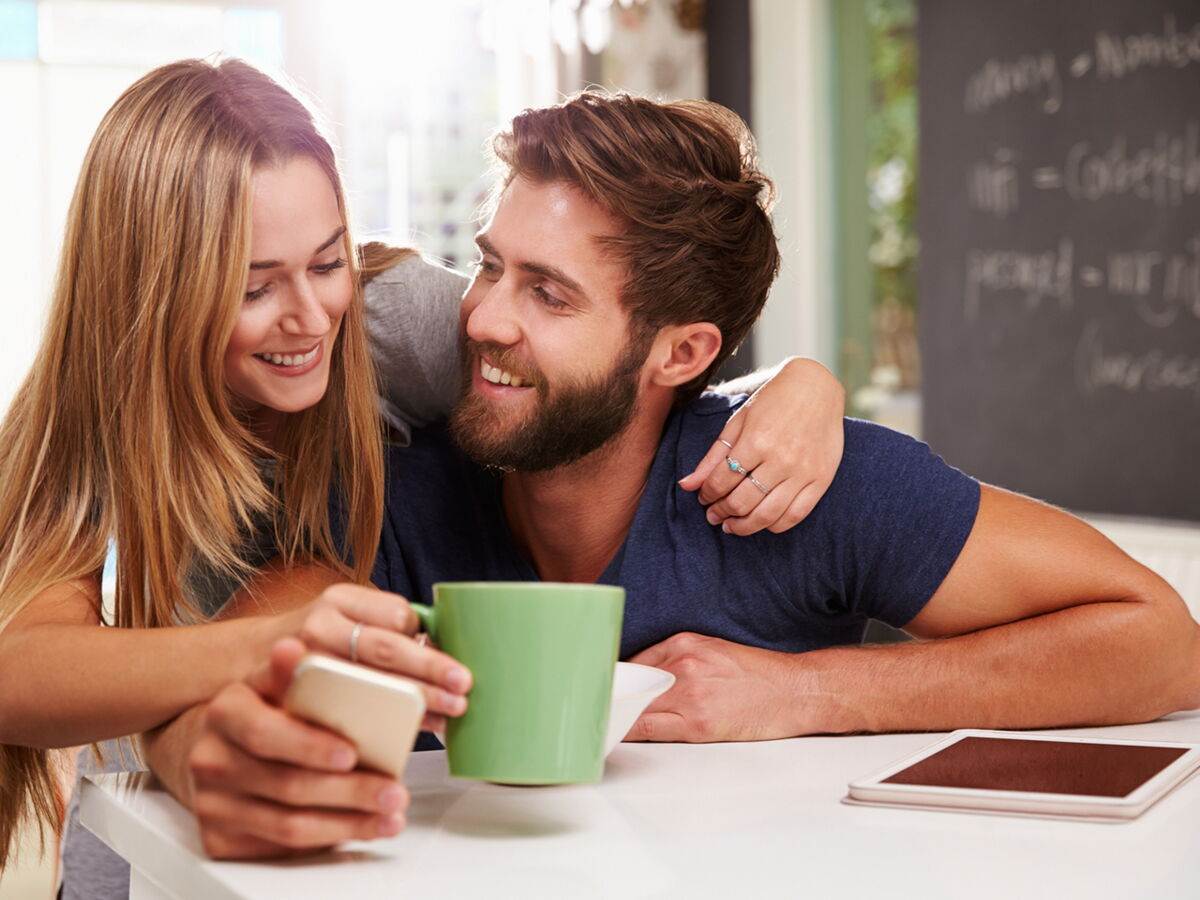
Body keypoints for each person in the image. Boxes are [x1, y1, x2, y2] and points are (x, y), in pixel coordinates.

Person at [151, 89, 1200, 858]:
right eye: (489, 264)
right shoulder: (399, 482)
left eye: (549, 295)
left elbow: (1162, 640)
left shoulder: (794, 485)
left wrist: (809, 692)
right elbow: (270, 625)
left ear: (683, 354)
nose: (483, 318)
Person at [0, 59, 846, 892]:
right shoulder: (88, 411)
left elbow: (617, 384)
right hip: (151, 855)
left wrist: (795, 384)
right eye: (253, 288)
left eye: (327, 262)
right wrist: (267, 644)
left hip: (347, 843)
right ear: (152, 288)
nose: (309, 317)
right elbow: (20, 672)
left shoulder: (388, 323)